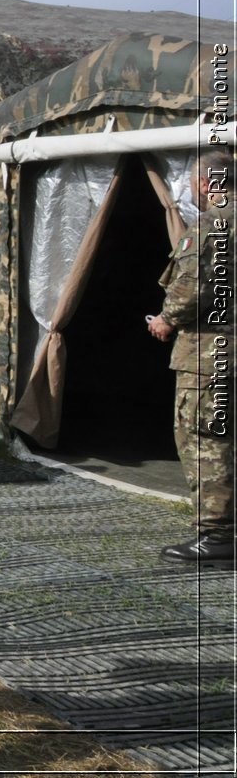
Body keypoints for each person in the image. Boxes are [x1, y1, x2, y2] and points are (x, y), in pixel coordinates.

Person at [148, 149, 235, 565]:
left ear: (206, 184)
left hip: (209, 356)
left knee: (205, 441)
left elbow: (190, 290)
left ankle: (216, 537)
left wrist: (165, 319)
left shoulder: (212, 226)